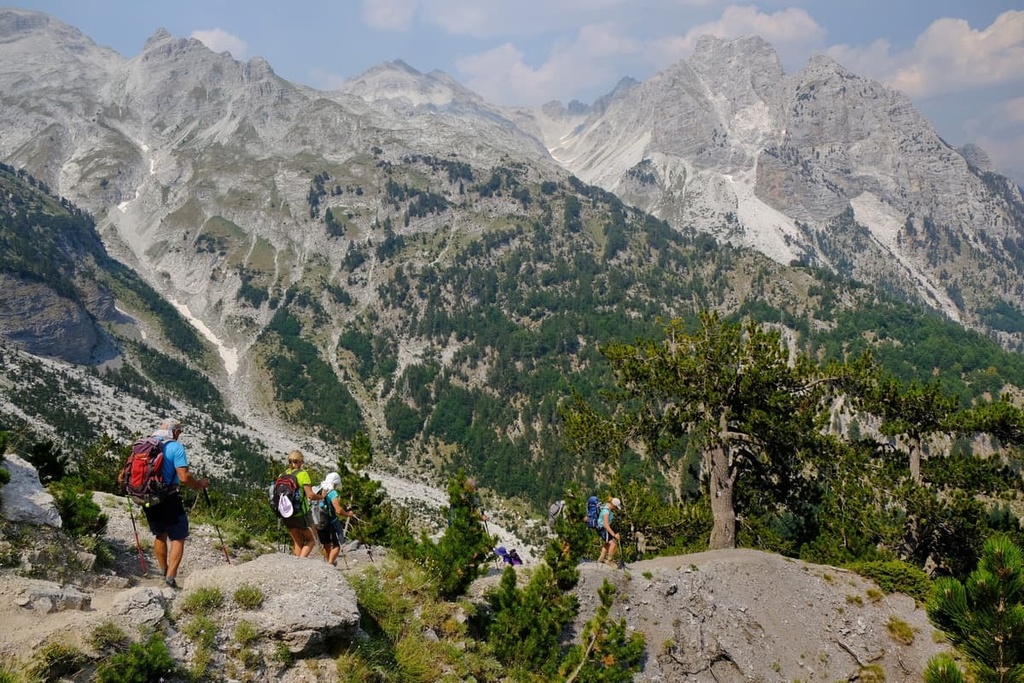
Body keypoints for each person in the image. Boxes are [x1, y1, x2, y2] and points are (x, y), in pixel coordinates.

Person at [141, 418, 208, 589]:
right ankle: (170, 579)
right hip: (169, 497)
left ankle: (163, 571)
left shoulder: (146, 444)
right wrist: (198, 485)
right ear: (175, 432)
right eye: (180, 432)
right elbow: (184, 477)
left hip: (148, 496)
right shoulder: (175, 447)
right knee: (178, 537)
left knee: (160, 535)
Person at [281, 450, 325, 557]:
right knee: (311, 540)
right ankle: (301, 562)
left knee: (297, 542)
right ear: (301, 461)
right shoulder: (303, 474)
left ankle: (295, 563)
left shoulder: (282, 475)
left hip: (286, 513)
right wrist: (321, 497)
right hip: (301, 513)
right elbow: (310, 495)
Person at [317, 471, 354, 566]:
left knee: (326, 543)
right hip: (331, 521)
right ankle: (330, 565)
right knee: (337, 545)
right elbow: (338, 510)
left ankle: (329, 562)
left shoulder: (321, 489)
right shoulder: (332, 492)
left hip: (319, 520)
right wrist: (348, 514)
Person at [597, 497, 622, 568]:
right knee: (613, 543)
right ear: (613, 505)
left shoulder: (606, 507)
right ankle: (609, 561)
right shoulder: (606, 512)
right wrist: (614, 535)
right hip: (603, 529)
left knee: (608, 543)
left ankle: (601, 558)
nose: (616, 509)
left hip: (601, 528)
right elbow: (606, 525)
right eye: (616, 507)